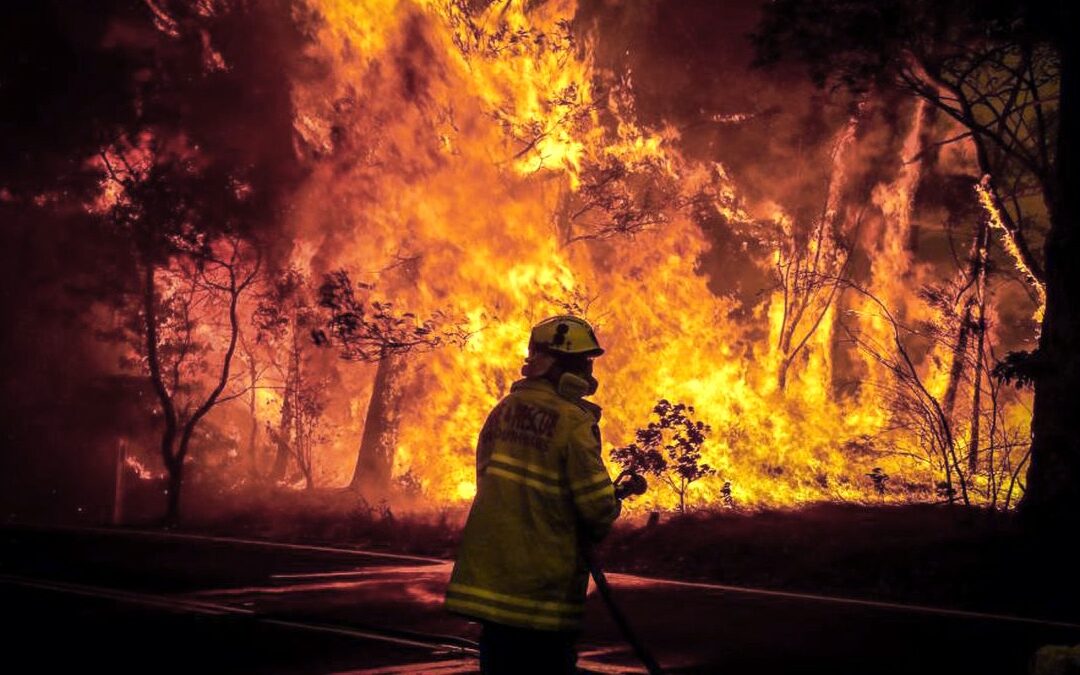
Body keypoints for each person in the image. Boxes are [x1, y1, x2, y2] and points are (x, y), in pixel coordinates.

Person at [445, 315, 622, 674]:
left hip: (493, 583)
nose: (589, 372)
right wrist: (611, 504)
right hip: (542, 590)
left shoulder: (501, 412)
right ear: (559, 366)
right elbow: (597, 507)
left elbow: (487, 480)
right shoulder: (572, 421)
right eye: (582, 362)